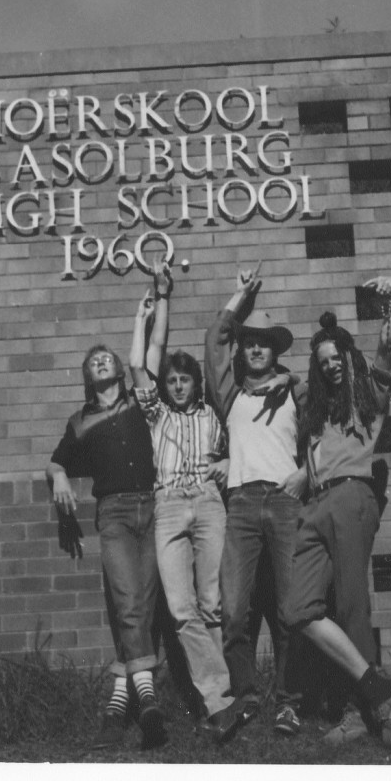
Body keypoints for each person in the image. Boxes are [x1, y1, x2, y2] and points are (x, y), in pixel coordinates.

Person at [285, 275, 391, 747]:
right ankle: (379, 689)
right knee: (299, 609)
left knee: (352, 605)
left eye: (338, 358)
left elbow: (388, 341)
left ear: (349, 358)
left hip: (354, 497)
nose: (333, 366)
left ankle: (361, 713)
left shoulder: (370, 399)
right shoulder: (315, 411)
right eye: (324, 362)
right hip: (315, 506)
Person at [129, 260, 238, 744]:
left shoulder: (214, 414)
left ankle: (216, 704)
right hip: (170, 504)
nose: (176, 386)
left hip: (210, 502)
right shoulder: (155, 415)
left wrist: (230, 464)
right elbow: (143, 361)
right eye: (170, 381)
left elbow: (248, 447)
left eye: (183, 380)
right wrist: (158, 302)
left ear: (195, 383)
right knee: (180, 607)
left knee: (211, 604)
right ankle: (222, 699)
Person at [46, 341, 166, 750]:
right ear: (88, 376)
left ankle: (118, 706)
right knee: (129, 602)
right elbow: (56, 460)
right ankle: (148, 698)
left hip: (152, 508)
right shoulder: (80, 421)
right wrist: (59, 475)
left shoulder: (138, 402)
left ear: (117, 368)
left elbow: (152, 351)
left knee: (142, 607)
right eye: (92, 360)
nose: (100, 360)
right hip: (113, 514)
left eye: (106, 357)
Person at [205, 264, 307, 737]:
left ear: (276, 349)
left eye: (264, 342)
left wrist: (306, 475)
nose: (256, 348)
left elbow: (323, 436)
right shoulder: (230, 393)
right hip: (242, 505)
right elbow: (214, 343)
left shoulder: (297, 391)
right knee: (233, 609)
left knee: (291, 609)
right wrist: (238, 295)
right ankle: (246, 697)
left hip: (286, 504)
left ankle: (289, 702)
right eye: (249, 342)